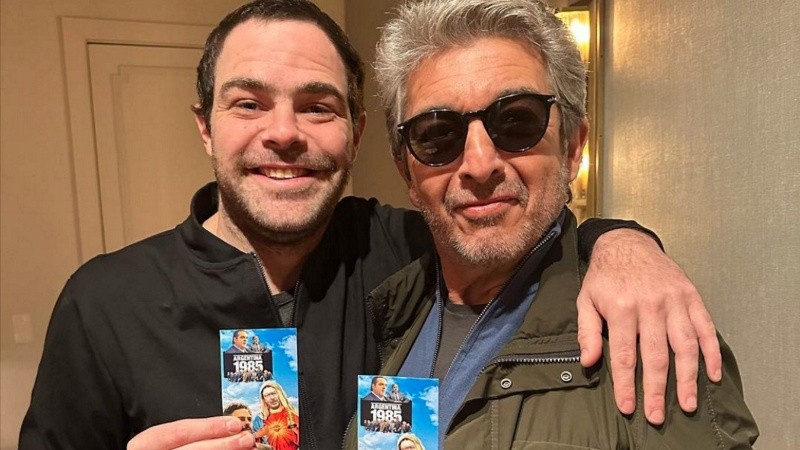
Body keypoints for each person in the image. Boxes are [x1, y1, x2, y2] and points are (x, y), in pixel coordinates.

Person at [20, 1, 723, 449]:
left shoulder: (403, 252)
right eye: (249, 104)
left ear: (356, 137)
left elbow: (523, 225)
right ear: (205, 127)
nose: (285, 134)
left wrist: (624, 243)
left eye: (318, 106)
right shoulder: (103, 303)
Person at [345, 0, 759, 447]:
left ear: (573, 148)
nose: (480, 165)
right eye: (438, 134)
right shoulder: (393, 311)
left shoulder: (648, 340)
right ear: (407, 172)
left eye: (517, 121)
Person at [253, 381, 300, 450]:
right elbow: (255, 444)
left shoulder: (294, 415)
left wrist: (294, 429)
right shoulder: (259, 420)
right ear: (263, 399)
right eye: (267, 395)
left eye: (274, 393)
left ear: (280, 394)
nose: (272, 397)